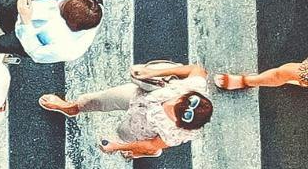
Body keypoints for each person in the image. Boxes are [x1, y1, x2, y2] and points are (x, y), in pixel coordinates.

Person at [40, 62, 214, 158]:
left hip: (143, 126)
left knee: (123, 133)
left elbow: (151, 142)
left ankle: (148, 154)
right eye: (177, 99)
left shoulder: (176, 133)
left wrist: (117, 146)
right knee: (101, 99)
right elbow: (197, 70)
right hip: (139, 96)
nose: (170, 102)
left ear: (179, 122)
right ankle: (72, 108)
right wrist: (150, 73)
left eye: (172, 110)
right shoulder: (195, 87)